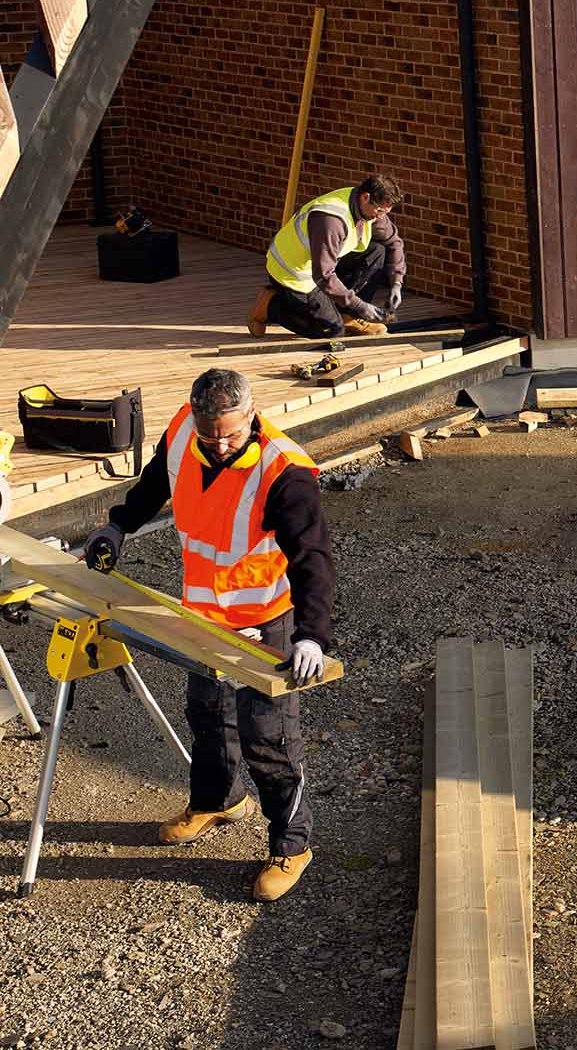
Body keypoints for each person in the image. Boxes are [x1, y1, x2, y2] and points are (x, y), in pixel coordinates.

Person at [83, 368, 334, 902]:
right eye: (209, 433)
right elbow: (155, 481)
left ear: (251, 414)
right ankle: (219, 799)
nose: (218, 444)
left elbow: (312, 558)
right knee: (207, 713)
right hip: (204, 614)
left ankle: (292, 845)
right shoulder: (183, 434)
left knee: (268, 735)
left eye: (230, 434)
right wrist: (118, 525)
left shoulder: (284, 472)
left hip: (266, 618)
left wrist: (312, 636)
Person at [247, 173, 408, 339]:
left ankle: (348, 316)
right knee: (332, 331)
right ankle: (269, 307)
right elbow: (323, 276)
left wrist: (396, 283)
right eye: (380, 211)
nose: (381, 216)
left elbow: (394, 242)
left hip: (324, 263)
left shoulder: (367, 208)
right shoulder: (330, 220)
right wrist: (360, 305)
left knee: (377, 252)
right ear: (366, 197)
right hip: (293, 274)